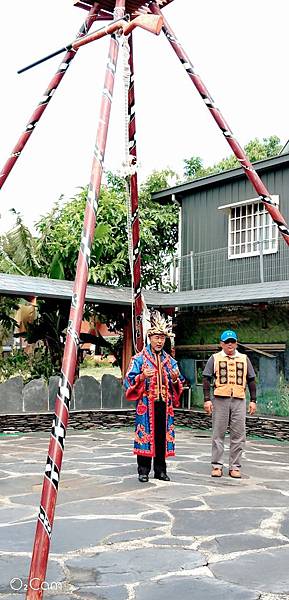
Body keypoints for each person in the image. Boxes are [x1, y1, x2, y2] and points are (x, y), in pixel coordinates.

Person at [124, 311, 184, 483]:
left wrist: (174, 380)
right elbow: (128, 380)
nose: (159, 341)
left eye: (162, 338)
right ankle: (143, 470)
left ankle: (160, 470)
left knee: (161, 438)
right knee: (145, 435)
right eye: (156, 337)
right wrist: (142, 376)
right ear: (149, 338)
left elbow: (179, 381)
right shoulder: (139, 359)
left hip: (164, 405)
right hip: (146, 405)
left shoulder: (170, 361)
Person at [202, 329, 257, 479]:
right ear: (221, 344)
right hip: (220, 399)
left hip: (239, 399)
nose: (230, 344)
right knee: (218, 433)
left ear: (236, 343)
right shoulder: (215, 358)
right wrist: (207, 399)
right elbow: (206, 378)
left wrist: (253, 400)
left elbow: (251, 379)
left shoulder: (244, 358)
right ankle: (217, 465)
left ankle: (235, 466)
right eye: (226, 342)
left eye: (232, 341)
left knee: (239, 435)